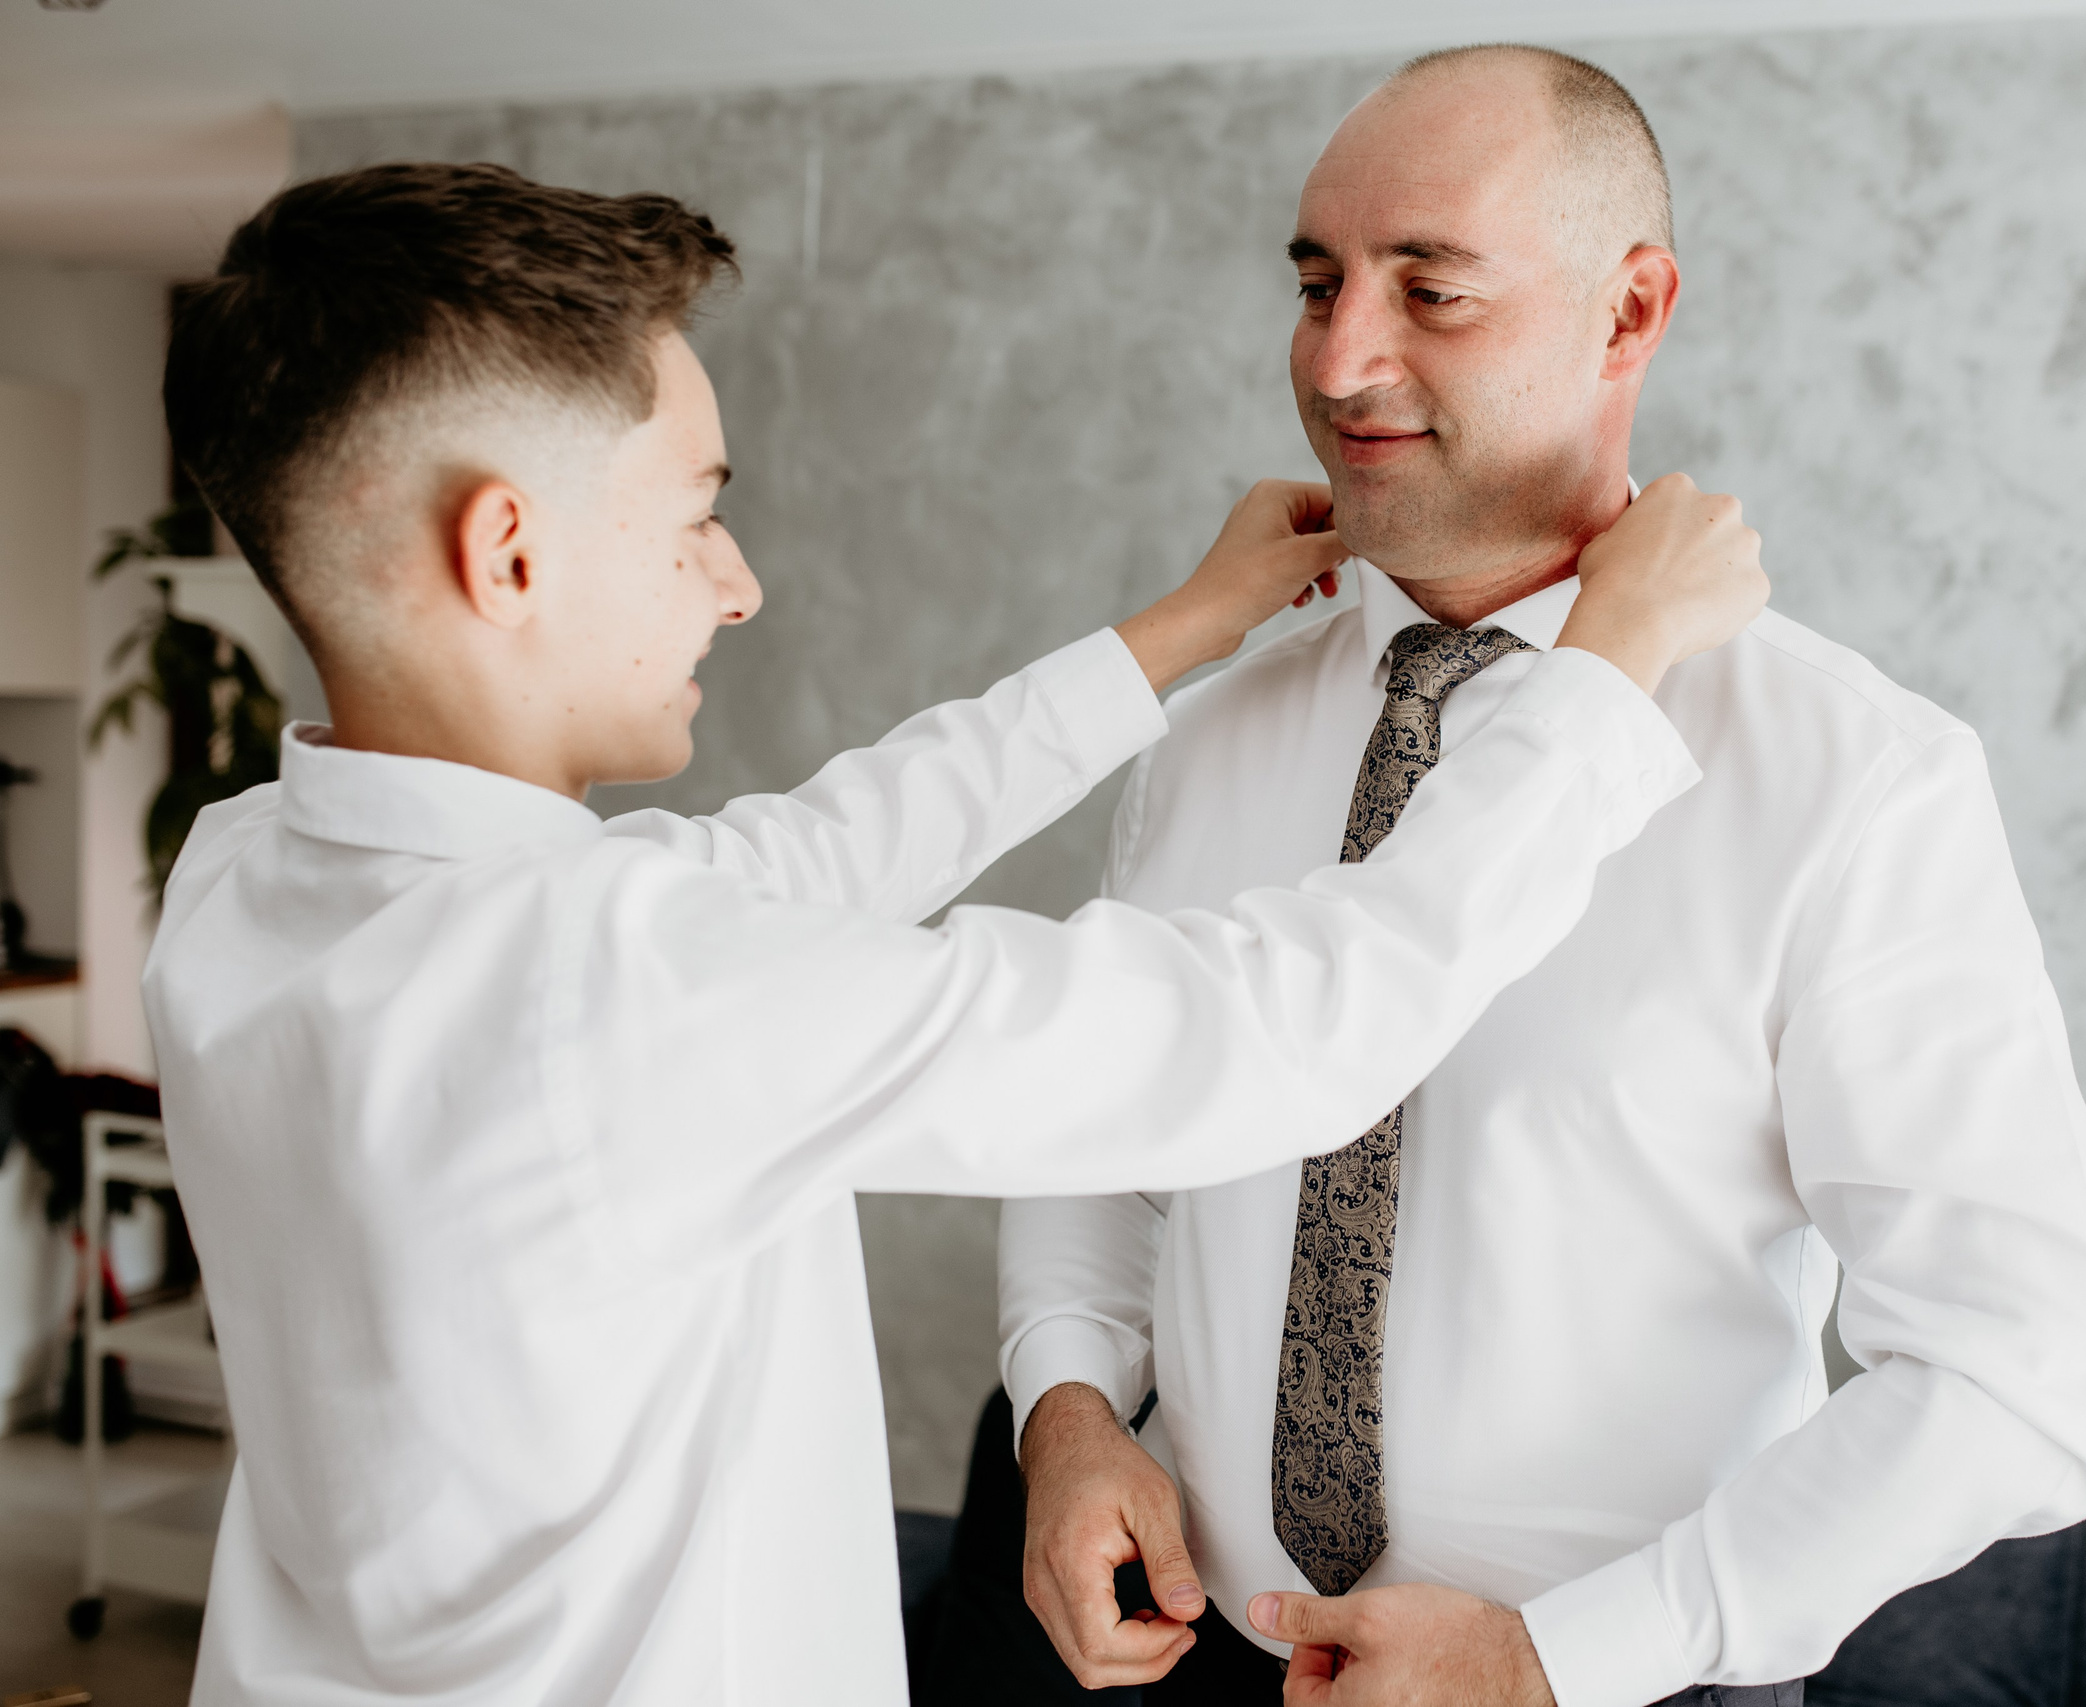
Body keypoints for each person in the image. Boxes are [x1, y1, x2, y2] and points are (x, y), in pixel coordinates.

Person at [141, 162, 1771, 1705]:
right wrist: (1600, 689)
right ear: (509, 550)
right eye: (696, 512)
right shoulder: (625, 984)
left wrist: (1164, 640)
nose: (737, 584)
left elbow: (797, 860)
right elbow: (1295, 1030)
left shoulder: (246, 879)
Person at [997, 44, 2086, 1707]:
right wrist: (1071, 1411)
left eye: (1430, 290)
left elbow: (2011, 1373)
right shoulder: (1211, 731)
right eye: (1317, 282)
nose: (1338, 358)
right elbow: (1105, 1134)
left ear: (1628, 314)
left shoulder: (1852, 775)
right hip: (1193, 1670)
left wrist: (1560, 1659)